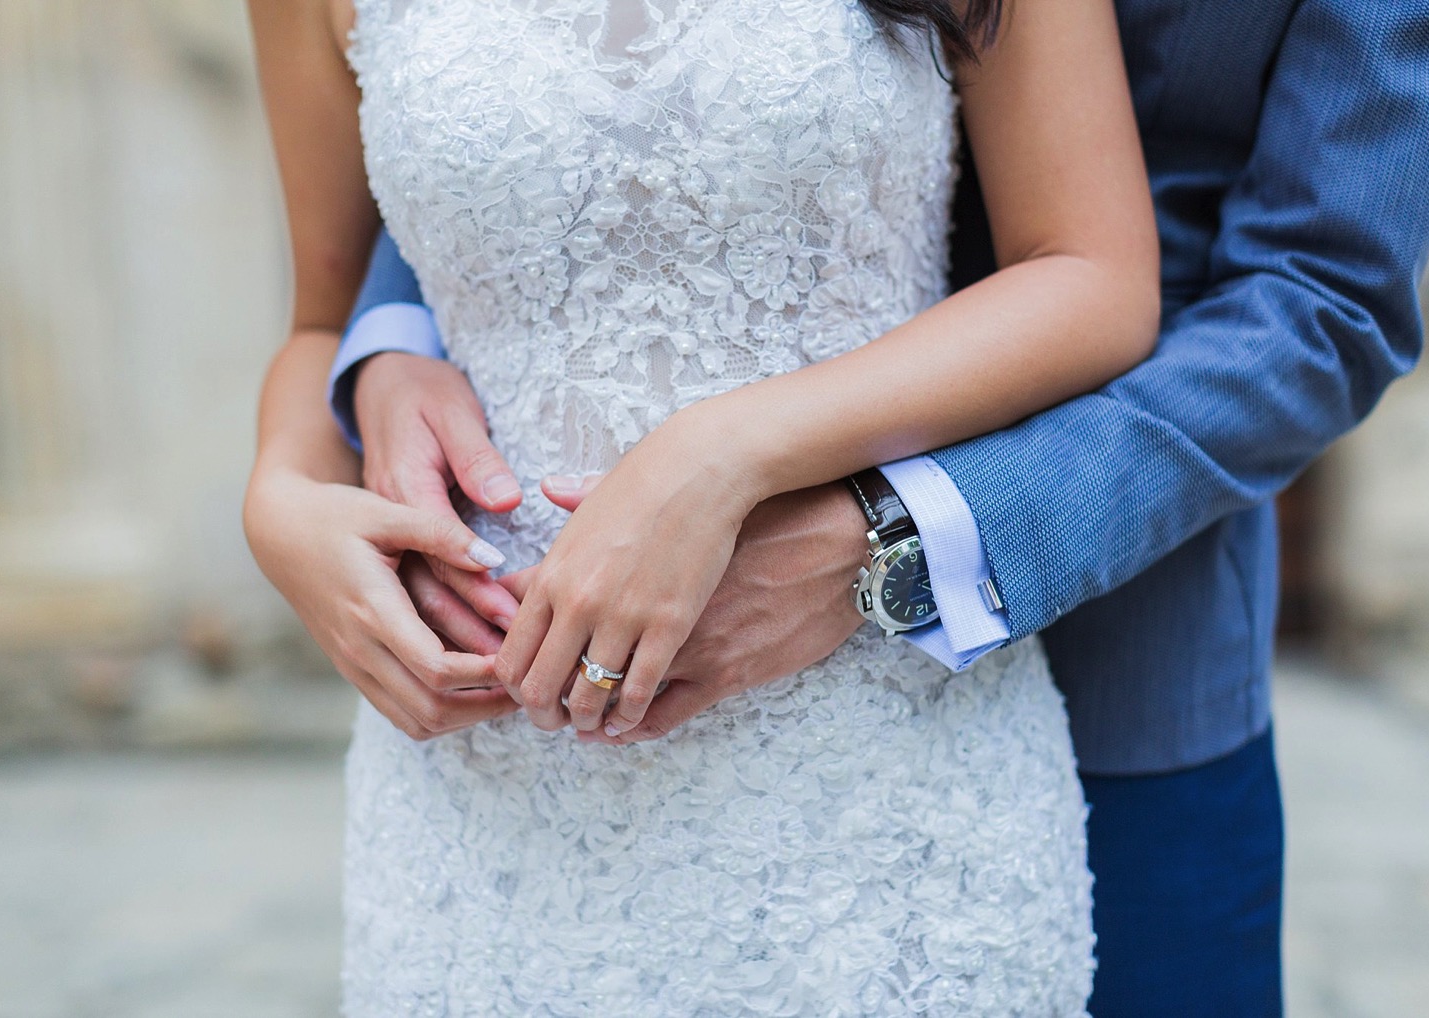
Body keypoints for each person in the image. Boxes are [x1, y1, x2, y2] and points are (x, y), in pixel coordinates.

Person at [308, 2, 1429, 1015]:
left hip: (1124, 647)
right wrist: (382, 352)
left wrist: (884, 539)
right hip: (533, 725)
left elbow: (1322, 302)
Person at [244, 0, 1165, 1012]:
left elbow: (1090, 275)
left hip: (872, 783)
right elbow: (321, 323)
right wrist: (280, 502)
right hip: (489, 806)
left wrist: (722, 451)